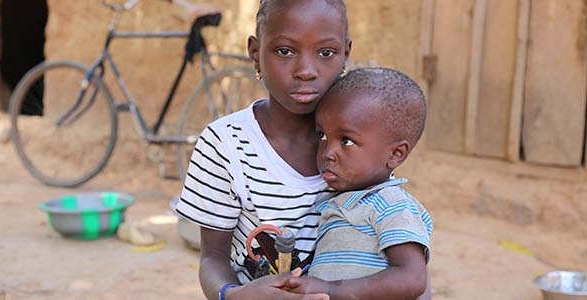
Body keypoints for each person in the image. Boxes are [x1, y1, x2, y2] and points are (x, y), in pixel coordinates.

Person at [175, 1, 431, 299]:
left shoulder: (361, 138)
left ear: (345, 55)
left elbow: (403, 259)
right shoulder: (225, 144)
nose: (306, 71)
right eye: (285, 51)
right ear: (256, 53)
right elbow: (212, 258)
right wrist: (232, 295)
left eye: (326, 53)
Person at [294, 67, 433, 299]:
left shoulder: (391, 204)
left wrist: (330, 290)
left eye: (347, 141)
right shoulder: (335, 200)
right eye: (322, 136)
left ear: (395, 154)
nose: (328, 152)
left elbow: (413, 278)